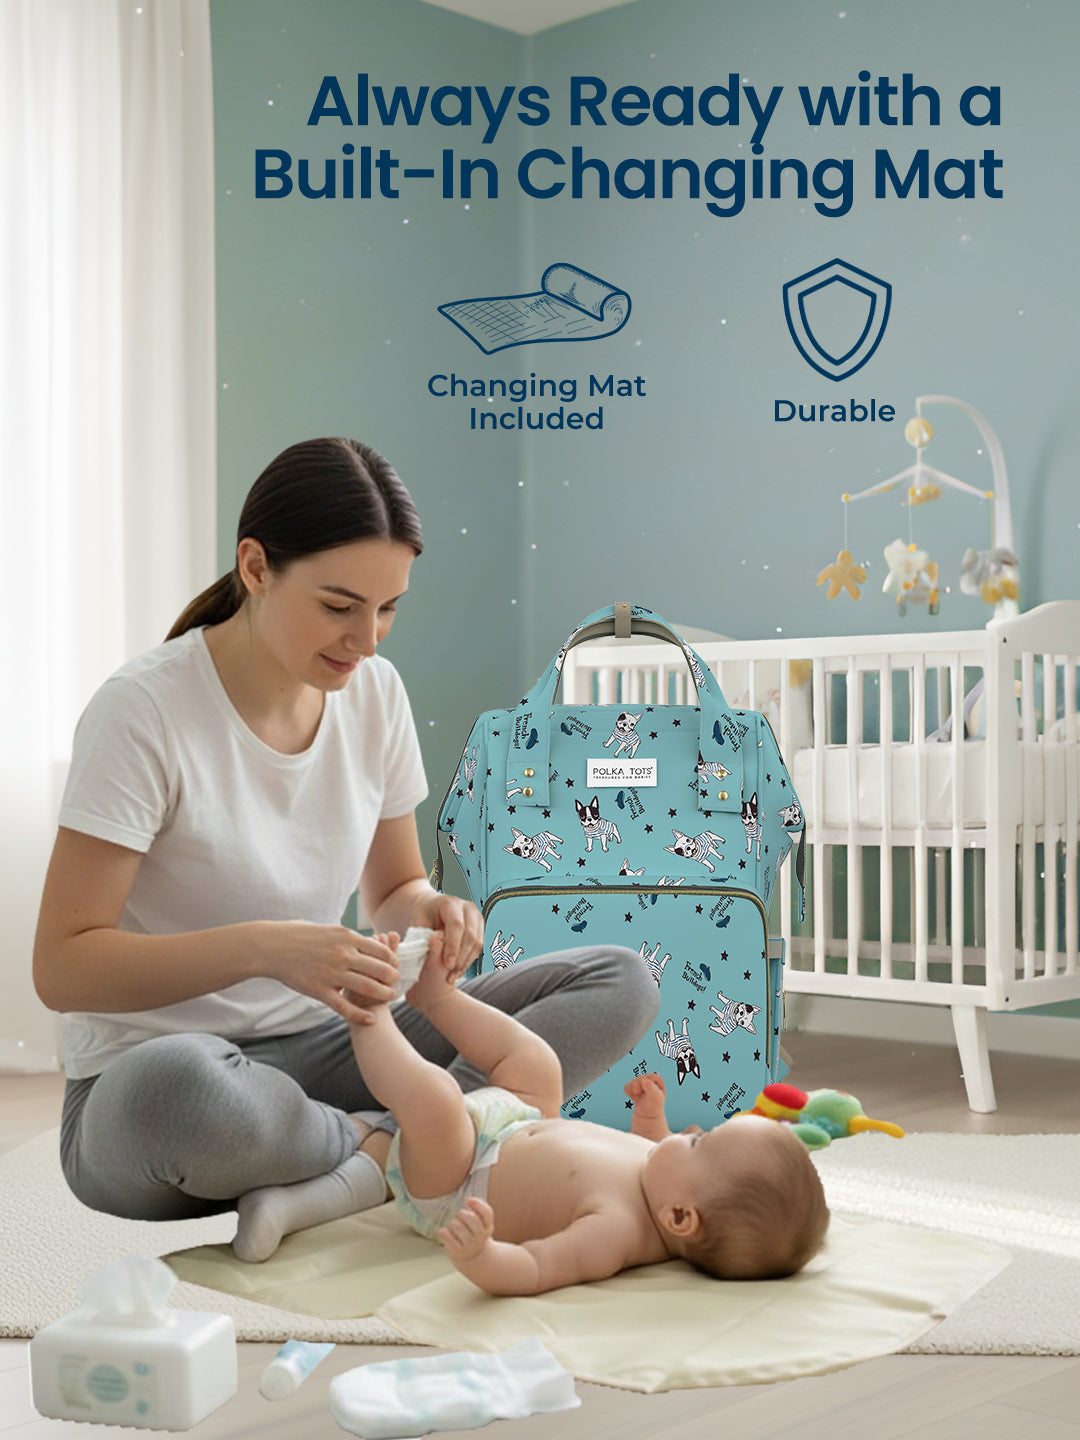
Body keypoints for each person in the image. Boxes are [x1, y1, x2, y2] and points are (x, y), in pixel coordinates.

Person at [32, 437, 658, 1234]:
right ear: (256, 567)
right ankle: (399, 1149)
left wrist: (430, 910)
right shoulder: (143, 711)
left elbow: (392, 889)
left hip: (334, 1047)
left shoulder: (375, 694)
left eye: (388, 608)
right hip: (162, 1084)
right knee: (177, 1092)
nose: (367, 640)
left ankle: (386, 1154)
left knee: (619, 980)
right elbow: (63, 967)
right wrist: (266, 949)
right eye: (339, 606)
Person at [242, 929, 829, 1291]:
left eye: (700, 1143)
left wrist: (484, 1256)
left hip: (457, 1182)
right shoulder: (665, 1181)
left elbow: (540, 1267)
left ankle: (368, 1013)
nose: (692, 1131)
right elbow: (654, 1149)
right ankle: (438, 998)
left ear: (680, 1219)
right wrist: (653, 1120)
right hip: (517, 1120)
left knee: (437, 1102)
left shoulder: (616, 1233)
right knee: (539, 1063)